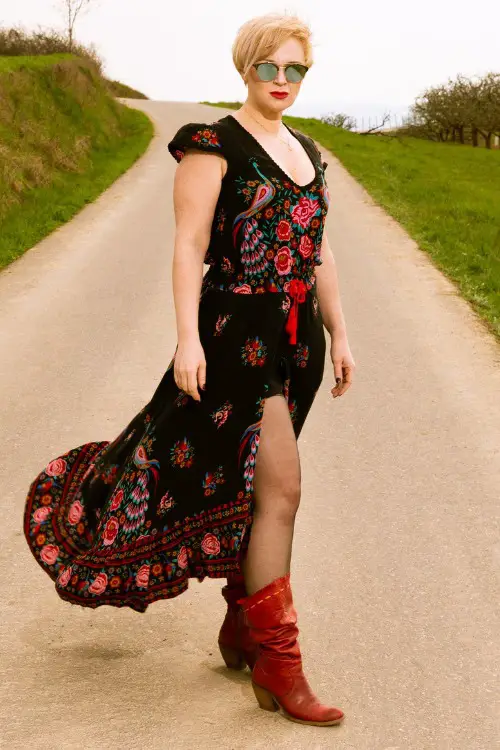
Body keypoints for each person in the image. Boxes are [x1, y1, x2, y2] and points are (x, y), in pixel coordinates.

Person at [23, 12, 355, 727]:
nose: (283, 81)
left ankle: (242, 625)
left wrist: (342, 330)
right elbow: (188, 243)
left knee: (256, 485)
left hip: (297, 344)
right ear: (246, 66)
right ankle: (278, 661)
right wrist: (187, 339)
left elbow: (320, 250)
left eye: (296, 69)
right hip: (236, 336)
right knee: (283, 488)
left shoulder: (309, 151)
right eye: (270, 67)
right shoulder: (214, 143)